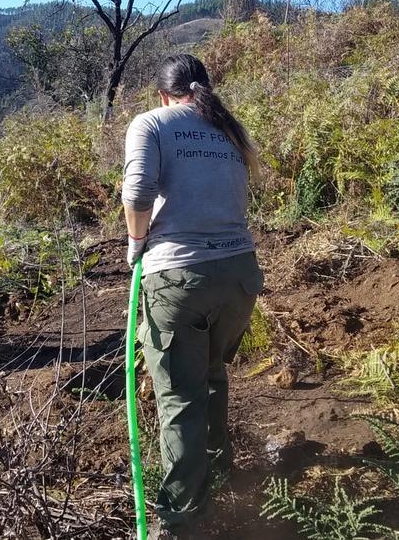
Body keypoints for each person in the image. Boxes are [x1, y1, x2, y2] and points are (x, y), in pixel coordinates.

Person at [123, 54, 265, 539]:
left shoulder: (152, 123)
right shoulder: (229, 128)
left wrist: (136, 243)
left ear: (163, 94)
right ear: (203, 88)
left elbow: (138, 192)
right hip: (240, 274)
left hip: (180, 277)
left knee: (180, 398)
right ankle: (221, 478)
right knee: (210, 374)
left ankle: (182, 519)